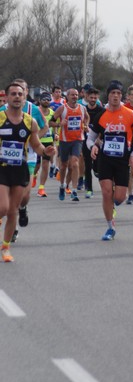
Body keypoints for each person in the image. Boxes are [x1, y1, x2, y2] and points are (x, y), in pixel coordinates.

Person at [0, 82, 56, 262]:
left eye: (20, 94)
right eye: (13, 94)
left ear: (25, 99)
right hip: (2, 168)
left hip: (20, 168)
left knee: (13, 211)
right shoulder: (0, 117)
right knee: (3, 207)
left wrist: (45, 152)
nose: (17, 97)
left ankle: (6, 248)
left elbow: (36, 145)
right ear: (7, 98)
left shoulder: (29, 121)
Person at [87, 81, 133, 240]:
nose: (115, 96)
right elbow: (90, 137)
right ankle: (110, 227)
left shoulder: (130, 114)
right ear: (109, 95)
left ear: (122, 96)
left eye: (118, 94)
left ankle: (113, 205)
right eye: (113, 93)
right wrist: (92, 146)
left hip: (122, 160)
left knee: (119, 197)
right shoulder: (101, 114)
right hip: (105, 158)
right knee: (106, 193)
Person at [49, 88, 89, 202]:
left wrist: (86, 125)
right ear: (67, 96)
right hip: (64, 140)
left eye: (76, 95)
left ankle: (74, 190)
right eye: (72, 95)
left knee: (75, 164)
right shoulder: (62, 108)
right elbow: (50, 122)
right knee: (63, 166)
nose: (75, 97)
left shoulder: (82, 108)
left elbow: (87, 117)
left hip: (78, 139)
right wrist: (59, 124)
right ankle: (62, 186)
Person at [81, 87, 104, 198]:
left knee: (97, 166)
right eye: (91, 97)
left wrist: (99, 138)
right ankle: (89, 189)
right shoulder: (83, 109)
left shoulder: (101, 110)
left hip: (98, 141)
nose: (93, 99)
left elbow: (103, 126)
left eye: (95, 97)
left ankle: (97, 170)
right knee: (87, 164)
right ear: (86, 97)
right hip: (86, 141)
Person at [34, 91, 55, 197]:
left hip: (48, 141)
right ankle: (34, 175)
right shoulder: (36, 111)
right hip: (37, 141)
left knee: (45, 164)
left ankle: (41, 188)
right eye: (44, 99)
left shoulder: (52, 112)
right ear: (40, 101)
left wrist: (55, 135)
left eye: (48, 99)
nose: (46, 101)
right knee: (37, 165)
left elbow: (53, 125)